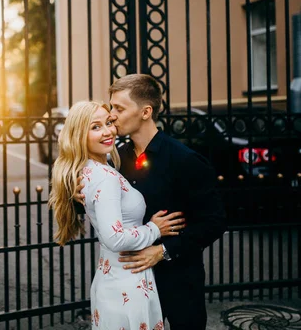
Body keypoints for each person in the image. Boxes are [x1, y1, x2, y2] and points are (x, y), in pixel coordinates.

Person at [75, 74, 227, 330]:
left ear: (145, 112)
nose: (111, 115)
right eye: (111, 107)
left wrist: (163, 251)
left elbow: (214, 222)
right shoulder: (117, 160)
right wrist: (79, 198)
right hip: (130, 281)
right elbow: (105, 208)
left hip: (178, 281)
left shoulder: (185, 160)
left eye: (119, 108)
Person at [48, 100, 185, 330]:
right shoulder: (105, 177)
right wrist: (154, 229)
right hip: (128, 284)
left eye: (109, 122)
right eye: (95, 127)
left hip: (115, 279)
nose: (108, 131)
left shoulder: (92, 170)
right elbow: (115, 239)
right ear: (79, 135)